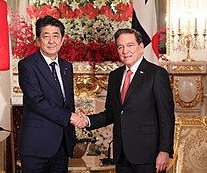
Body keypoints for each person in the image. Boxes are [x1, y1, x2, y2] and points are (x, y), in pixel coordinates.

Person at [74, 28, 175, 173]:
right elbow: (111, 113)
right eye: (120, 47)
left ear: (141, 47)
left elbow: (166, 117)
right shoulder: (115, 76)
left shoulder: (156, 74)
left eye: (130, 45)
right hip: (122, 156)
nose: (125, 50)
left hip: (149, 156)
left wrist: (164, 151)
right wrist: (87, 121)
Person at [18, 15, 83, 173]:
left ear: (62, 40)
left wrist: (75, 119)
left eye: (56, 36)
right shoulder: (27, 65)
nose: (51, 41)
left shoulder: (66, 66)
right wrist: (70, 116)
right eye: (46, 36)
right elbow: (37, 101)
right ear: (38, 40)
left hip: (62, 145)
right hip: (36, 146)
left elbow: (66, 101)